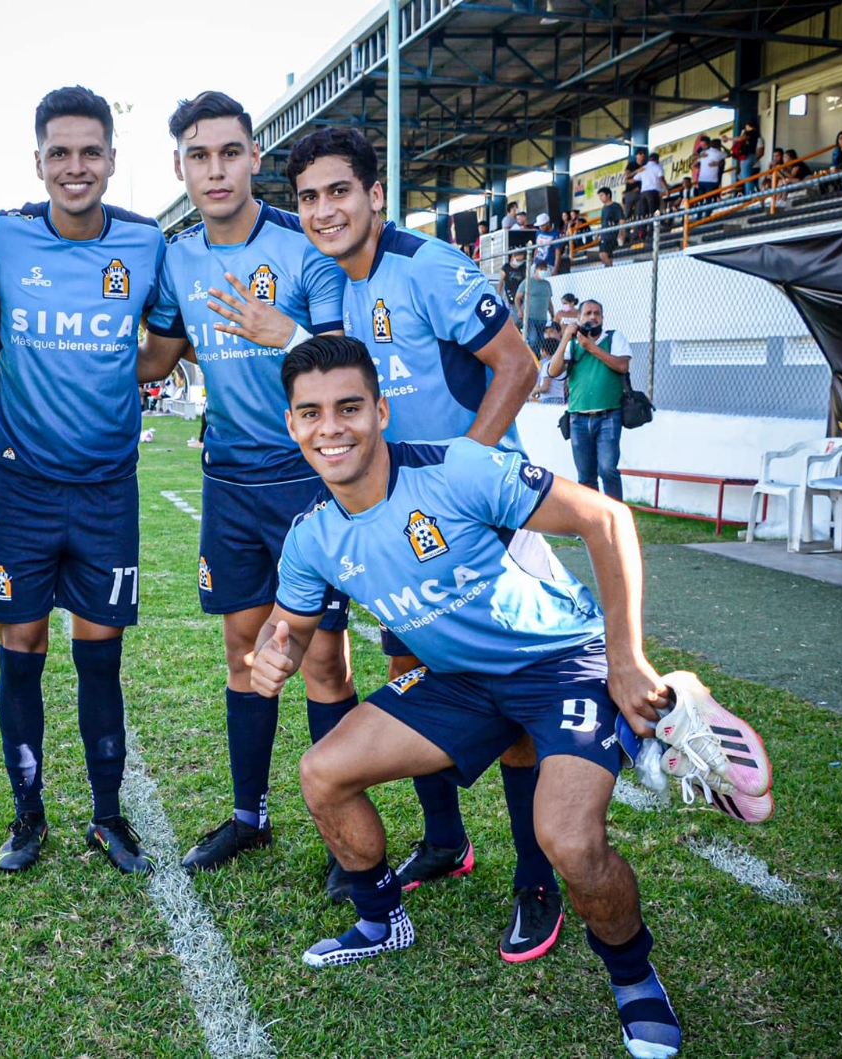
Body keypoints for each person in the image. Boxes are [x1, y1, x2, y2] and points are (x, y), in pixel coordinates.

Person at [255, 335, 724, 1059]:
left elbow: (607, 519)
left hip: (560, 661)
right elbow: (290, 623)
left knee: (569, 840)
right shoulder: (311, 535)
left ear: (380, 410)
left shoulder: (456, 467)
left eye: (349, 407)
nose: (332, 427)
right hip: (460, 683)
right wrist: (275, 648)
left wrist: (625, 658)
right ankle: (382, 919)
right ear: (292, 425)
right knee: (321, 772)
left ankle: (634, 977)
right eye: (311, 413)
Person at [287, 128, 567, 963]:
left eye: (339, 190)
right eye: (307, 197)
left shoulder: (429, 264)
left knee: (513, 705)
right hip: (404, 532)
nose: (324, 209)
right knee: (413, 676)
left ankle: (535, 879)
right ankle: (445, 839)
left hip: (483, 524)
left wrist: (460, 489)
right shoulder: (343, 286)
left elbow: (517, 367)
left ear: (375, 195)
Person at [134, 91, 358, 881]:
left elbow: (340, 359)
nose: (216, 169)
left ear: (255, 158)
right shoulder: (178, 255)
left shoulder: (304, 244)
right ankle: (248, 815)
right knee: (244, 651)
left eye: (230, 152)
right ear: (180, 168)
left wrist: (282, 331)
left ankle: (343, 831)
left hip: (306, 480)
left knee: (322, 658)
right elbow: (155, 359)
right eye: (199, 155)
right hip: (228, 478)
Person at [0, 86, 166, 877]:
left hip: (106, 488)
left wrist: (116, 371)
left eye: (90, 152)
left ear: (112, 160)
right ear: (39, 161)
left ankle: (108, 816)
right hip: (20, 490)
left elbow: (166, 344)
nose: (75, 166)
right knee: (21, 645)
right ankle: (28, 813)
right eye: (60, 152)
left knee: (100, 653)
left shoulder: (147, 243)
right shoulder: (0, 238)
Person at [547, 299, 633, 501]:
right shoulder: (573, 344)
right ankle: (590, 523)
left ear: (602, 318)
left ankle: (615, 520)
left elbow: (622, 366)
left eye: (597, 313)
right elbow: (553, 370)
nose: (592, 317)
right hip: (578, 418)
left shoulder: (613, 338)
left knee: (607, 469)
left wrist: (592, 347)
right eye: (587, 313)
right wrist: (566, 337)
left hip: (608, 415)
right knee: (586, 476)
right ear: (579, 318)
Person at [532, 323, 566, 404]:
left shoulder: (547, 364)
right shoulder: (562, 363)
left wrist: (534, 391)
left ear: (543, 351)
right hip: (561, 398)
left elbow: (545, 387)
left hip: (549, 399)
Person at [730, 120, 764, 195]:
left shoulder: (754, 135)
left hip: (750, 159)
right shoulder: (755, 136)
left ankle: (752, 194)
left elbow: (760, 153)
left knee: (747, 179)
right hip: (750, 159)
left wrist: (729, 139)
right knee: (745, 177)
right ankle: (751, 193)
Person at [596, 186, 624, 267]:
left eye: (602, 195)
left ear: (608, 195)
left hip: (611, 235)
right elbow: (603, 222)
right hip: (604, 235)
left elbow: (621, 220)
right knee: (608, 255)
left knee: (603, 254)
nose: (600, 198)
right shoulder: (604, 208)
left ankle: (610, 266)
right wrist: (599, 233)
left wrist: (621, 232)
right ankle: (609, 268)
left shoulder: (615, 206)